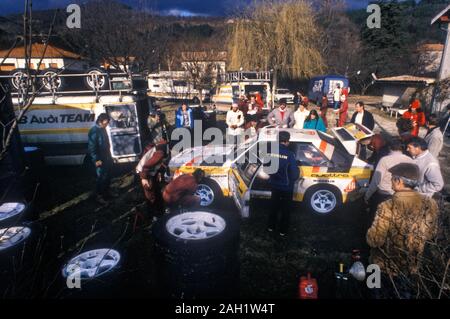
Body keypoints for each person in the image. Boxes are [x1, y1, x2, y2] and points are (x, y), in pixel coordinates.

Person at [366, 163, 439, 298]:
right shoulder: (430, 204)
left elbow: (374, 240)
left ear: (399, 181)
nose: (391, 182)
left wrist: (369, 233)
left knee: (374, 292)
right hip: (411, 266)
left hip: (380, 266)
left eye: (393, 178)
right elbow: (431, 234)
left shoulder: (387, 205)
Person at [364, 139, 414, 222]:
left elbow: (376, 181)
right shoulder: (410, 160)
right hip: (402, 195)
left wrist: (367, 196)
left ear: (389, 148)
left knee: (377, 220)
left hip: (384, 195)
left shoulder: (385, 160)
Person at [267, 131, 300, 236]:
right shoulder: (290, 155)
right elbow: (294, 174)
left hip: (274, 185)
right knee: (286, 210)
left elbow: (267, 168)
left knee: (273, 207)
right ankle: (282, 231)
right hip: (286, 187)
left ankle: (270, 227)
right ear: (286, 141)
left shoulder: (271, 151)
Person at [88, 113, 115, 204]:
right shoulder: (94, 131)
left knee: (108, 176)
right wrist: (96, 159)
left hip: (107, 157)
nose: (107, 124)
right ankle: (99, 196)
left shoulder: (103, 129)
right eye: (106, 122)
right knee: (101, 178)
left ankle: (107, 193)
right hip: (100, 159)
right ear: (100, 121)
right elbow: (92, 148)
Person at [136, 142, 168, 218]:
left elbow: (158, 163)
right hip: (145, 173)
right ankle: (153, 216)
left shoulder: (163, 147)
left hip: (151, 173)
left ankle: (159, 212)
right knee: (150, 195)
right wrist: (144, 178)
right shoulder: (160, 152)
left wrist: (159, 172)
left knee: (157, 191)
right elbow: (147, 166)